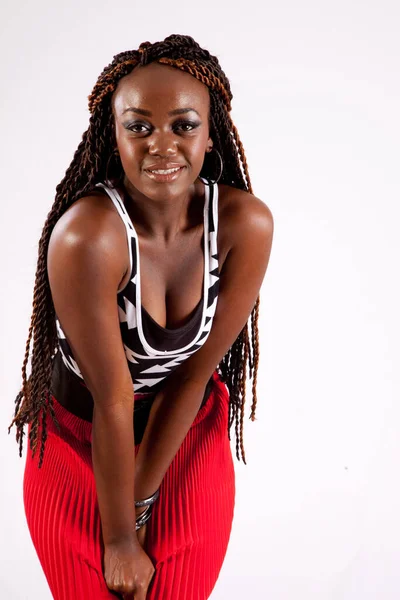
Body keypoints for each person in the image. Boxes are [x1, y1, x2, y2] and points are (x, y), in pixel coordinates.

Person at [8, 33, 274, 599]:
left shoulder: (243, 226)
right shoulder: (88, 236)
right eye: (139, 126)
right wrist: (120, 539)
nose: (162, 145)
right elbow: (111, 397)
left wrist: (140, 507)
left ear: (211, 131)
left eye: (183, 125)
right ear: (115, 133)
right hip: (79, 443)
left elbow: (195, 373)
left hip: (183, 438)